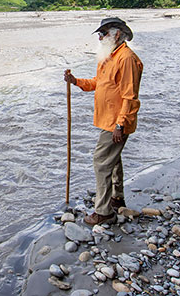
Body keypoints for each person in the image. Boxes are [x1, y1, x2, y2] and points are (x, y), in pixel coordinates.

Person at [64, 17, 143, 226]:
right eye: (100, 34)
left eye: (104, 33)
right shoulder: (109, 57)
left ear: (117, 35)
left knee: (101, 161)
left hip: (117, 121)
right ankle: (116, 198)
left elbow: (130, 96)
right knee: (113, 160)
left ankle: (104, 211)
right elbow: (99, 83)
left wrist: (120, 124)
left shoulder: (126, 59)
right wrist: (76, 81)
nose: (100, 37)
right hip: (108, 120)